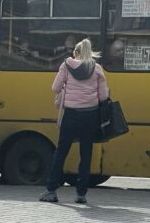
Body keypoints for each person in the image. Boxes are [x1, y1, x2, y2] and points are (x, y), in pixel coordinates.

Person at [40, 38, 109, 205]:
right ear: (89, 53)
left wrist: (67, 88)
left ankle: (51, 191)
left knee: (61, 151)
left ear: (76, 53)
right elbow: (104, 97)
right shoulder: (97, 69)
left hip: (70, 115)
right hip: (90, 116)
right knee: (86, 154)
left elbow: (55, 88)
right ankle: (81, 194)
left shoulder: (66, 66)